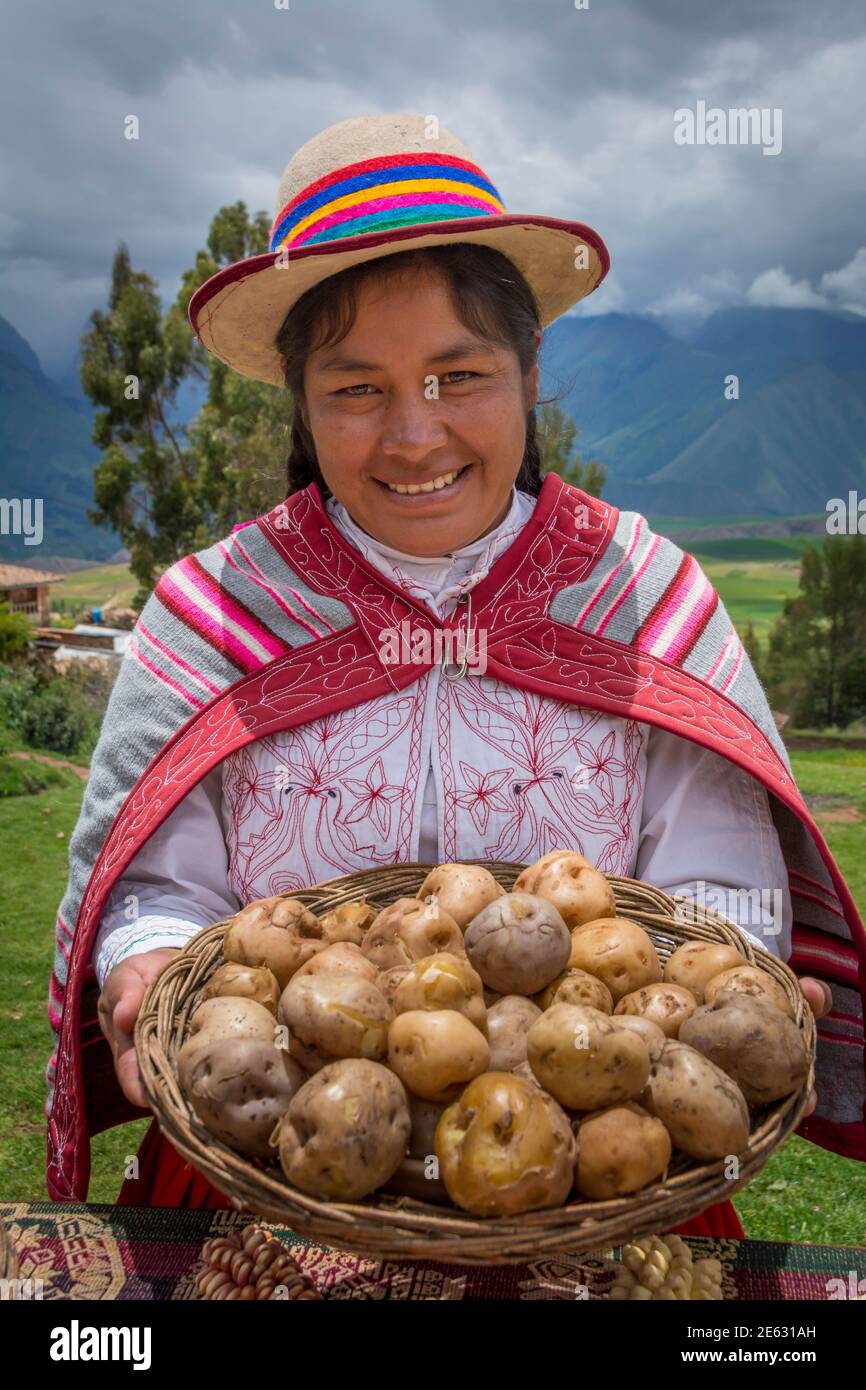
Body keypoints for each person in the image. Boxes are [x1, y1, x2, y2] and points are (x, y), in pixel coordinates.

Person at [47, 115, 864, 1242]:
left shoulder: (641, 594)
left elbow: (716, 887)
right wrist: (144, 965)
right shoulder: (216, 611)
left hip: (593, 1190)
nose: (413, 434)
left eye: (457, 374)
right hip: (280, 1180)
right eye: (354, 389)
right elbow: (159, 891)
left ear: (529, 373)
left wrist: (731, 985)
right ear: (299, 400)